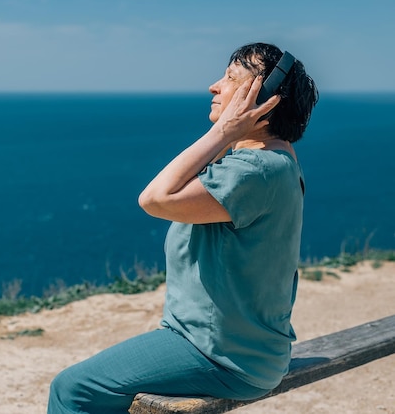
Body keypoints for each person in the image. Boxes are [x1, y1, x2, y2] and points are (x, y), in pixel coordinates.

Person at [47, 42, 319, 414]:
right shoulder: (274, 159)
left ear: (263, 99)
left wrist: (222, 132)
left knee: (73, 388)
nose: (214, 86)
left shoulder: (254, 171)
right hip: (245, 349)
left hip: (219, 355)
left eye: (230, 78)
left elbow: (155, 198)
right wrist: (231, 136)